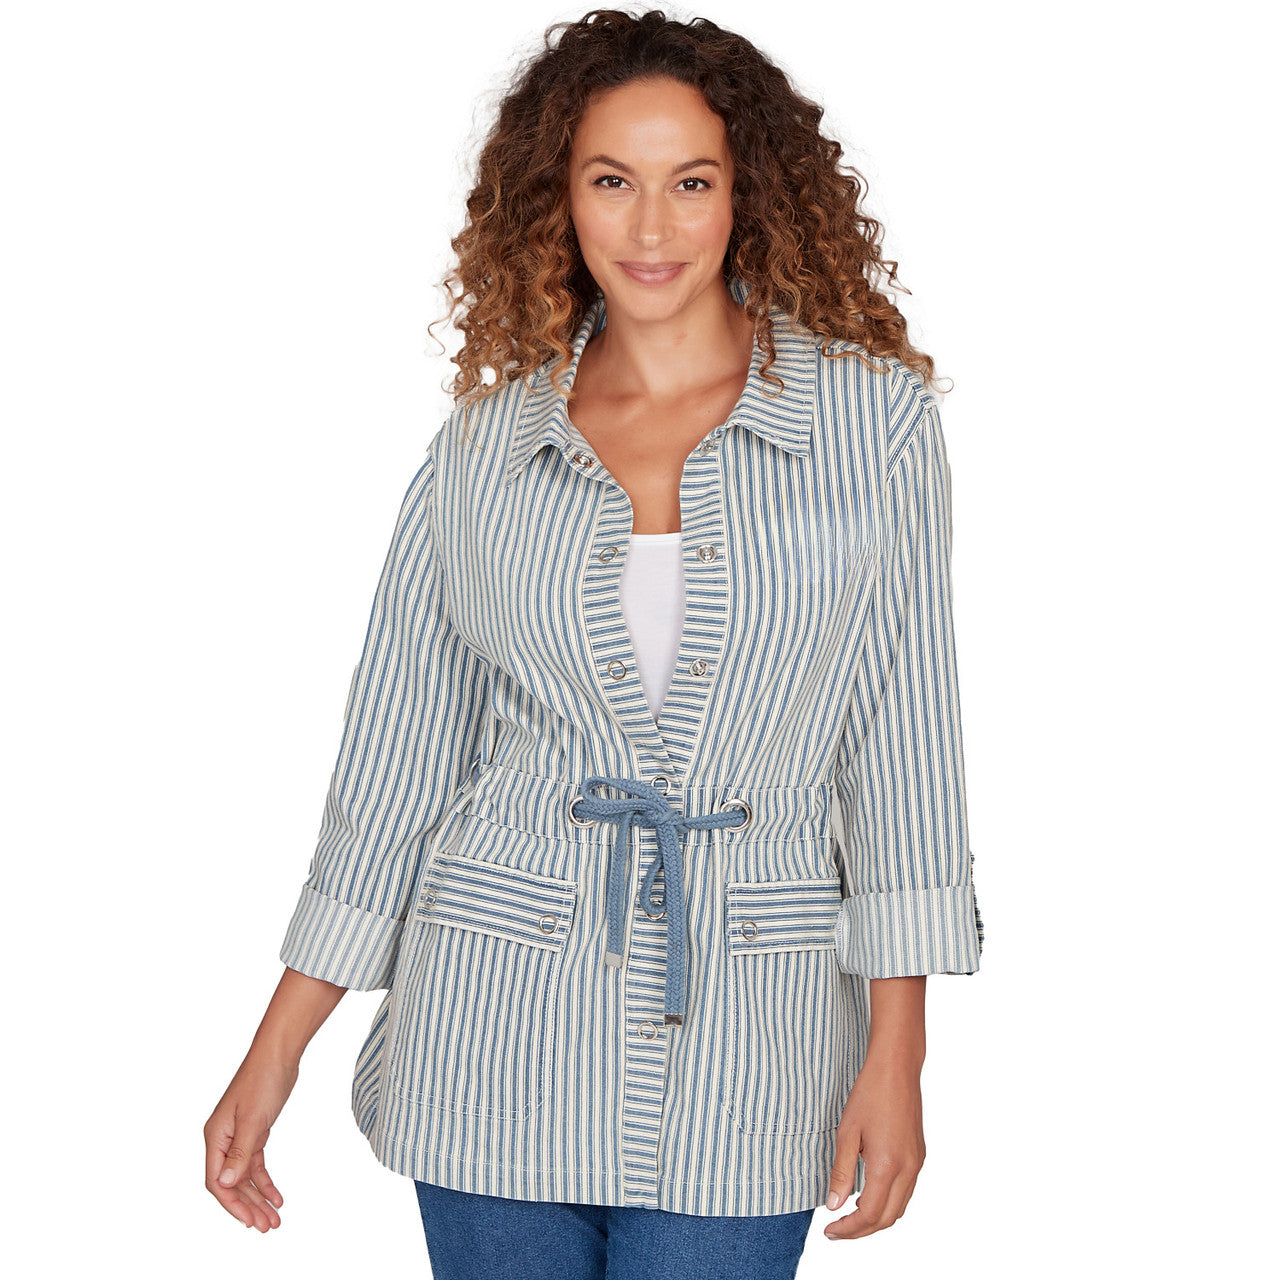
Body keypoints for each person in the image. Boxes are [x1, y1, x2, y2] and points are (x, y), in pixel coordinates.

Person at [204, 9, 985, 1277]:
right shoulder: (485, 449)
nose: (651, 227)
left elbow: (902, 749)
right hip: (492, 1014)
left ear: (747, 193)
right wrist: (275, 1046)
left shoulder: (872, 426)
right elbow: (394, 768)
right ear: (557, 199)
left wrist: (898, 1049)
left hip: (755, 1028)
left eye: (692, 182)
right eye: (611, 182)